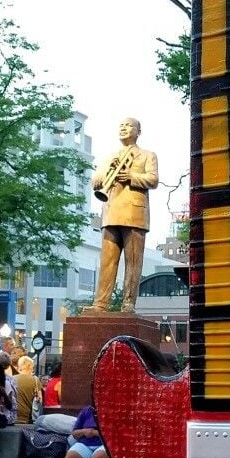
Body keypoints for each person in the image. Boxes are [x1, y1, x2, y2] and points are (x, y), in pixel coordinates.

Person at [90, 117, 158, 314]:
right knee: (107, 261)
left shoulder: (147, 155)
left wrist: (131, 177)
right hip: (111, 212)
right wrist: (107, 172)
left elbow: (153, 179)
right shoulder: (110, 157)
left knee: (133, 261)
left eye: (128, 126)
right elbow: (95, 181)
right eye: (121, 126)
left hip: (134, 213)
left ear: (138, 131)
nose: (123, 128)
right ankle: (100, 304)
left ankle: (128, 303)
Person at [14, 355, 42, 424]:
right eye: (32, 366)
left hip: (13, 417)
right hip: (28, 418)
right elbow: (40, 400)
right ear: (29, 366)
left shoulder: (12, 379)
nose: (33, 368)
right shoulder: (35, 380)